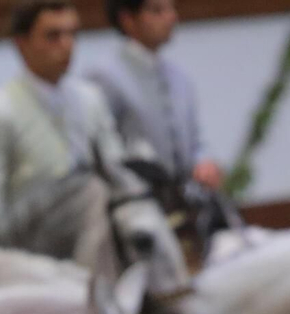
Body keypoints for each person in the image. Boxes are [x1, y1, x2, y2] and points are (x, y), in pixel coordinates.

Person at [0, 0, 126, 255]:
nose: (66, 45)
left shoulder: (91, 99)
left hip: (97, 237)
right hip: (30, 250)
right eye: (53, 36)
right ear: (21, 43)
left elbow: (118, 174)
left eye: (72, 34)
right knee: (89, 192)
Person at [87, 0, 220, 193]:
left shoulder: (179, 77)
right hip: (135, 203)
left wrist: (204, 161)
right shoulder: (104, 77)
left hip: (188, 201)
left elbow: (195, 141)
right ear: (128, 19)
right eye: (157, 10)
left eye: (171, 8)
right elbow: (101, 151)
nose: (171, 17)